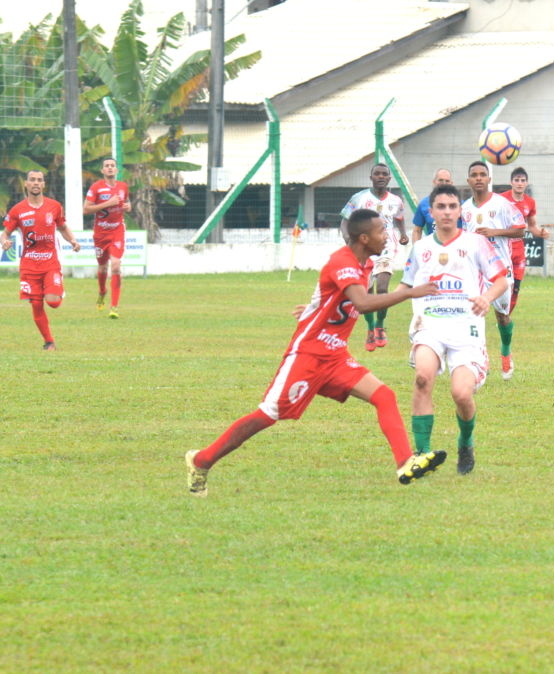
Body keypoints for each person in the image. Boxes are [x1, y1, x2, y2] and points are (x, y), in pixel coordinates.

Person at [184, 209, 444, 496]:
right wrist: (409, 292)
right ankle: (202, 460)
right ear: (363, 237)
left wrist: (312, 310)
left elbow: (333, 298)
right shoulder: (342, 261)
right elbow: (362, 303)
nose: (387, 235)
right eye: (382, 231)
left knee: (384, 395)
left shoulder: (365, 263)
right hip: (307, 355)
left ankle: (405, 463)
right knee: (267, 415)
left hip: (335, 357)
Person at [401, 184, 510, 475]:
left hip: (467, 331)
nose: (447, 212)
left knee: (461, 394)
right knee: (423, 378)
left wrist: (486, 298)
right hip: (430, 327)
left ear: (460, 211)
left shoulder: (476, 243)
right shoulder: (421, 248)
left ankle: (465, 441)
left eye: (452, 206)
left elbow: (501, 279)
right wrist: (374, 304)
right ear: (431, 212)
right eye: (441, 207)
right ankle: (421, 455)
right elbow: (406, 284)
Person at [0, 170, 81, 351]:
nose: (36, 183)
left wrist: (73, 240)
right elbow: (6, 233)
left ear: (44, 184)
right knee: (36, 304)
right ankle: (49, 342)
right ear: (26, 184)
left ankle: (58, 288)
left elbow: (63, 227)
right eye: (32, 180)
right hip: (29, 265)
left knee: (53, 302)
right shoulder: (17, 210)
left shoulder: (54, 207)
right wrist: (4, 241)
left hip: (50, 262)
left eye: (39, 180)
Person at [462, 161, 526, 380]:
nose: (478, 178)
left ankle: (506, 352)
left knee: (502, 317)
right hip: (475, 268)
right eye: (474, 175)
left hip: (499, 269)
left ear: (489, 179)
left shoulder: (503, 204)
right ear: (468, 180)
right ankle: (481, 358)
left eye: (483, 174)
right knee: (474, 314)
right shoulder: (464, 209)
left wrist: (494, 232)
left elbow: (521, 231)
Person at [340, 163, 409, 351]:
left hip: (387, 248)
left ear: (389, 178)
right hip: (365, 250)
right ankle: (370, 328)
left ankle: (380, 324)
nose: (380, 176)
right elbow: (345, 221)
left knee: (384, 286)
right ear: (371, 177)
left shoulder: (396, 200)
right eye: (376, 174)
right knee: (367, 291)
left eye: (384, 174)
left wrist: (403, 234)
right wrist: (348, 238)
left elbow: (400, 219)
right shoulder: (359, 198)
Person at [83, 157, 131, 318]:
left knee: (116, 265)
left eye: (112, 166)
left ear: (117, 170)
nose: (110, 168)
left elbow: (127, 202)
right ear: (102, 171)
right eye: (106, 166)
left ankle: (114, 307)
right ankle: (102, 291)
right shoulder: (96, 188)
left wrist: (128, 206)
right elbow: (86, 210)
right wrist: (108, 203)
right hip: (100, 234)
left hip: (117, 230)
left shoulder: (123, 187)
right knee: (103, 267)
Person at [497, 166, 549, 314]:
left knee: (516, 288)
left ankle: (505, 317)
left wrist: (541, 232)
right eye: (517, 180)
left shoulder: (530, 203)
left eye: (523, 180)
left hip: (518, 250)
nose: (520, 183)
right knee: (501, 285)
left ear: (526, 183)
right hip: (503, 248)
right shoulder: (501, 200)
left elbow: (532, 226)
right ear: (511, 182)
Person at [411, 168, 464, 240]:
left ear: (451, 183)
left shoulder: (461, 204)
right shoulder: (423, 204)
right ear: (434, 182)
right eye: (440, 180)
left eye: (447, 181)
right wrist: (416, 249)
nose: (444, 183)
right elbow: (417, 230)